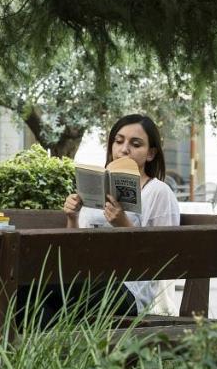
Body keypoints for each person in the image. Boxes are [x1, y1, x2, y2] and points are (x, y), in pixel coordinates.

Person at [61, 113, 182, 315]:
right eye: (118, 141)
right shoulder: (96, 188)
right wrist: (72, 217)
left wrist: (124, 224)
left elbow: (163, 257)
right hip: (87, 280)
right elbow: (76, 249)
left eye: (135, 144)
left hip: (130, 292)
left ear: (150, 153)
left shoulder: (158, 192)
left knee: (48, 289)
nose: (124, 149)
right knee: (30, 292)